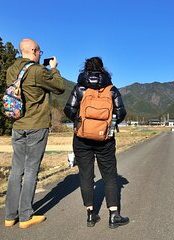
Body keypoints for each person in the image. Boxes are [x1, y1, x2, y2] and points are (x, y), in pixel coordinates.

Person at [4, 38, 65, 229]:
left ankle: (9, 216)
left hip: (18, 125)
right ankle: (25, 216)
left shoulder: (11, 70)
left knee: (16, 169)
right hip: (36, 125)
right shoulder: (38, 71)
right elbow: (60, 87)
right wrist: (53, 68)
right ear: (33, 50)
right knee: (31, 169)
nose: (41, 54)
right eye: (39, 51)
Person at [64, 57, 129, 228]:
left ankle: (91, 215)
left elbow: (68, 109)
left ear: (85, 69)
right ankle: (114, 215)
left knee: (86, 175)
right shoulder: (111, 89)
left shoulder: (80, 88)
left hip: (81, 139)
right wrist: (107, 125)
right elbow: (121, 112)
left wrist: (80, 122)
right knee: (109, 176)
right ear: (103, 69)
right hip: (105, 139)